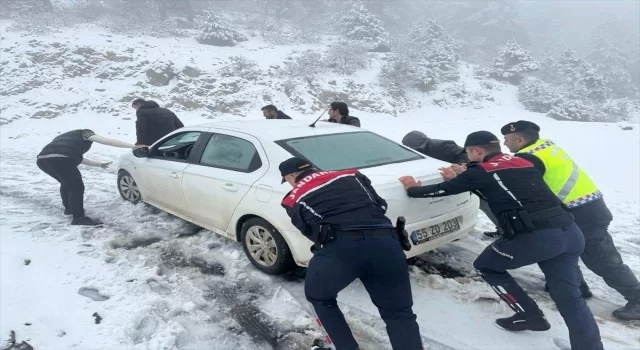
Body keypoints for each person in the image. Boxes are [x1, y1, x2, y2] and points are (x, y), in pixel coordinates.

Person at [399, 131, 603, 350]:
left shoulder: (481, 170)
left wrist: (412, 188)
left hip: (539, 237)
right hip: (570, 233)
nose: (467, 157)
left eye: (468, 153)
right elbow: (502, 189)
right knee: (570, 298)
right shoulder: (521, 162)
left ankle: (529, 314)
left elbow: (441, 190)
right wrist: (465, 177)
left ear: (477, 150)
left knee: (486, 266)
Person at [501, 120, 640, 321]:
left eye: (507, 140)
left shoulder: (529, 157)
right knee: (564, 250)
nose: (505, 144)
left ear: (520, 139)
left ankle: (637, 298)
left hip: (583, 213)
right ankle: (576, 286)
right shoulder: (545, 146)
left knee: (602, 260)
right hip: (584, 208)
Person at [279, 157, 423, 350]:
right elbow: (380, 205)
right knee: (399, 314)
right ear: (313, 168)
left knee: (319, 297)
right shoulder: (351, 174)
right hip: (386, 243)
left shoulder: (292, 198)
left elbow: (310, 232)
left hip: (341, 250)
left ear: (290, 176)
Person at [402, 130, 502, 238]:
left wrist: (460, 166)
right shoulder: (419, 152)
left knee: (484, 203)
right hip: (455, 178)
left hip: (467, 176)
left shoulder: (444, 145)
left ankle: (503, 229)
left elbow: (464, 154)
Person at [37, 129, 141, 226]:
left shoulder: (62, 139)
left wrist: (99, 164)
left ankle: (69, 210)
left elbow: (75, 157)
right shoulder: (85, 133)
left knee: (66, 183)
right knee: (76, 187)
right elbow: (106, 141)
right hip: (61, 159)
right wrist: (133, 146)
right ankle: (78, 218)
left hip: (42, 160)